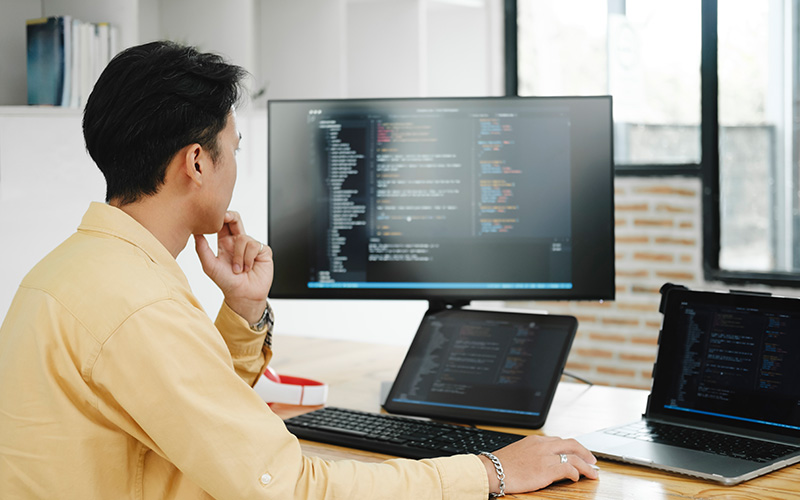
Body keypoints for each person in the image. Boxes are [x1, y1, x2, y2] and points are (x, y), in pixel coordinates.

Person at [0, 41, 598, 499]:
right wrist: (490, 470)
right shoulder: (138, 304)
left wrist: (241, 315)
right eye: (234, 148)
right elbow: (290, 487)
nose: (238, 166)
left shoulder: (76, 269)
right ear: (197, 162)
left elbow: (188, 418)